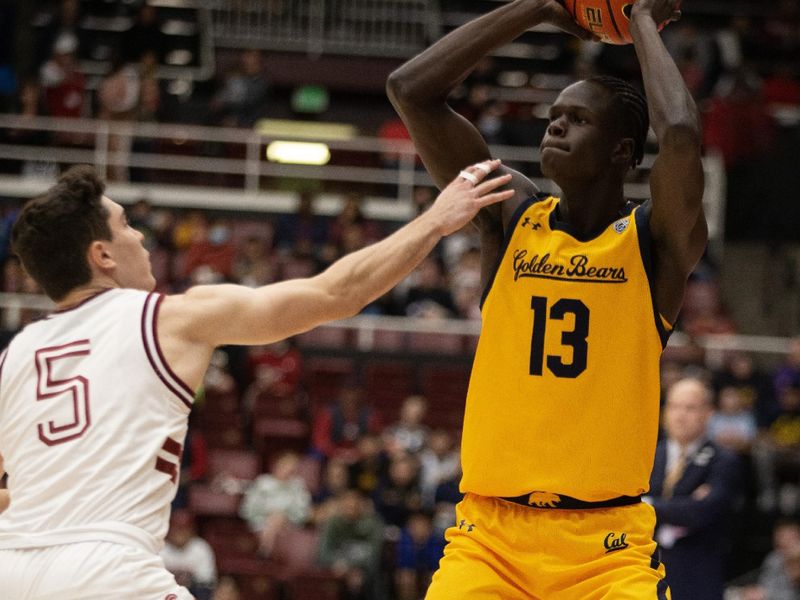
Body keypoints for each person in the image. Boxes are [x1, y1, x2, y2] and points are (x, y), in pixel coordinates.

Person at [0, 161, 511, 598]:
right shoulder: (168, 317)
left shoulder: (16, 354)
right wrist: (437, 221)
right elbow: (335, 294)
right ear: (102, 255)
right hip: (104, 568)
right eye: (127, 225)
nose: (140, 237)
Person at [386, 0, 705, 597]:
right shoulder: (509, 214)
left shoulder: (653, 243)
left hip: (606, 550)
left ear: (624, 152)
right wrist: (533, 9)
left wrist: (636, 19)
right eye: (553, 117)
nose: (554, 126)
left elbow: (682, 134)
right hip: (489, 541)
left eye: (577, 119)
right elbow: (411, 90)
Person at [647, 377, 741, 600]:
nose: (680, 415)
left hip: (696, 578)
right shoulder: (647, 455)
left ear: (708, 413)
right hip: (644, 571)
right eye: (674, 406)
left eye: (689, 408)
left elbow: (702, 512)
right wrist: (681, 506)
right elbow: (626, 504)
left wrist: (648, 504)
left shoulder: (723, 460)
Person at [160, 510, 217, 600]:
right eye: (177, 529)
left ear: (192, 530)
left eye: (184, 530)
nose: (180, 534)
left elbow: (206, 583)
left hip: (193, 593)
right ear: (169, 530)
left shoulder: (201, 548)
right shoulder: (160, 548)